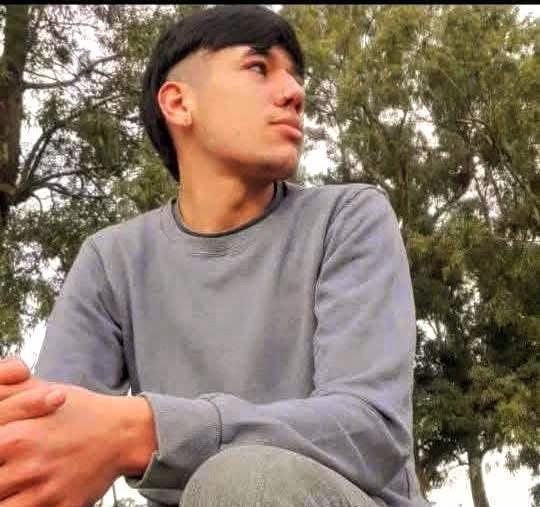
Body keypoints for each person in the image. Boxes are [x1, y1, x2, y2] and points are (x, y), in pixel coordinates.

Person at [0, 6, 429, 507]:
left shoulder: (348, 218)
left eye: (295, 75)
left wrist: (144, 429)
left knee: (246, 481)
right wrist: (21, 430)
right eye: (259, 67)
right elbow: (51, 439)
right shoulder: (111, 261)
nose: (294, 91)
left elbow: (371, 432)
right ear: (179, 103)